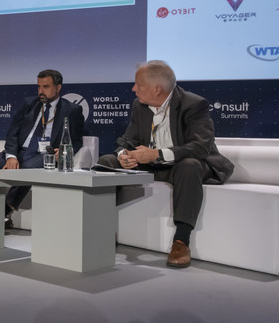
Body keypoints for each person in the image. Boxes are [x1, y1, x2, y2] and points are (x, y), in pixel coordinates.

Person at [97, 60, 233, 268]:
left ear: (157, 89)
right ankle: (104, 231)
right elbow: (127, 140)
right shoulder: (140, 105)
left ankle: (181, 241)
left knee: (189, 166)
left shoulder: (194, 104)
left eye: (138, 85)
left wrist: (157, 154)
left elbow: (200, 147)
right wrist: (124, 155)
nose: (133, 89)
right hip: (152, 165)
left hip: (181, 165)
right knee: (107, 161)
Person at [0, 69, 85, 228]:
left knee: (28, 170)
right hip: (20, 152)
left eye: (46, 87)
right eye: (39, 86)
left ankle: (3, 212)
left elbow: (76, 140)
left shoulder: (72, 110)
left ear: (58, 87)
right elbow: (12, 133)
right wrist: (11, 156)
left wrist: (63, 152)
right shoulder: (29, 104)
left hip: (45, 155)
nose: (41, 91)